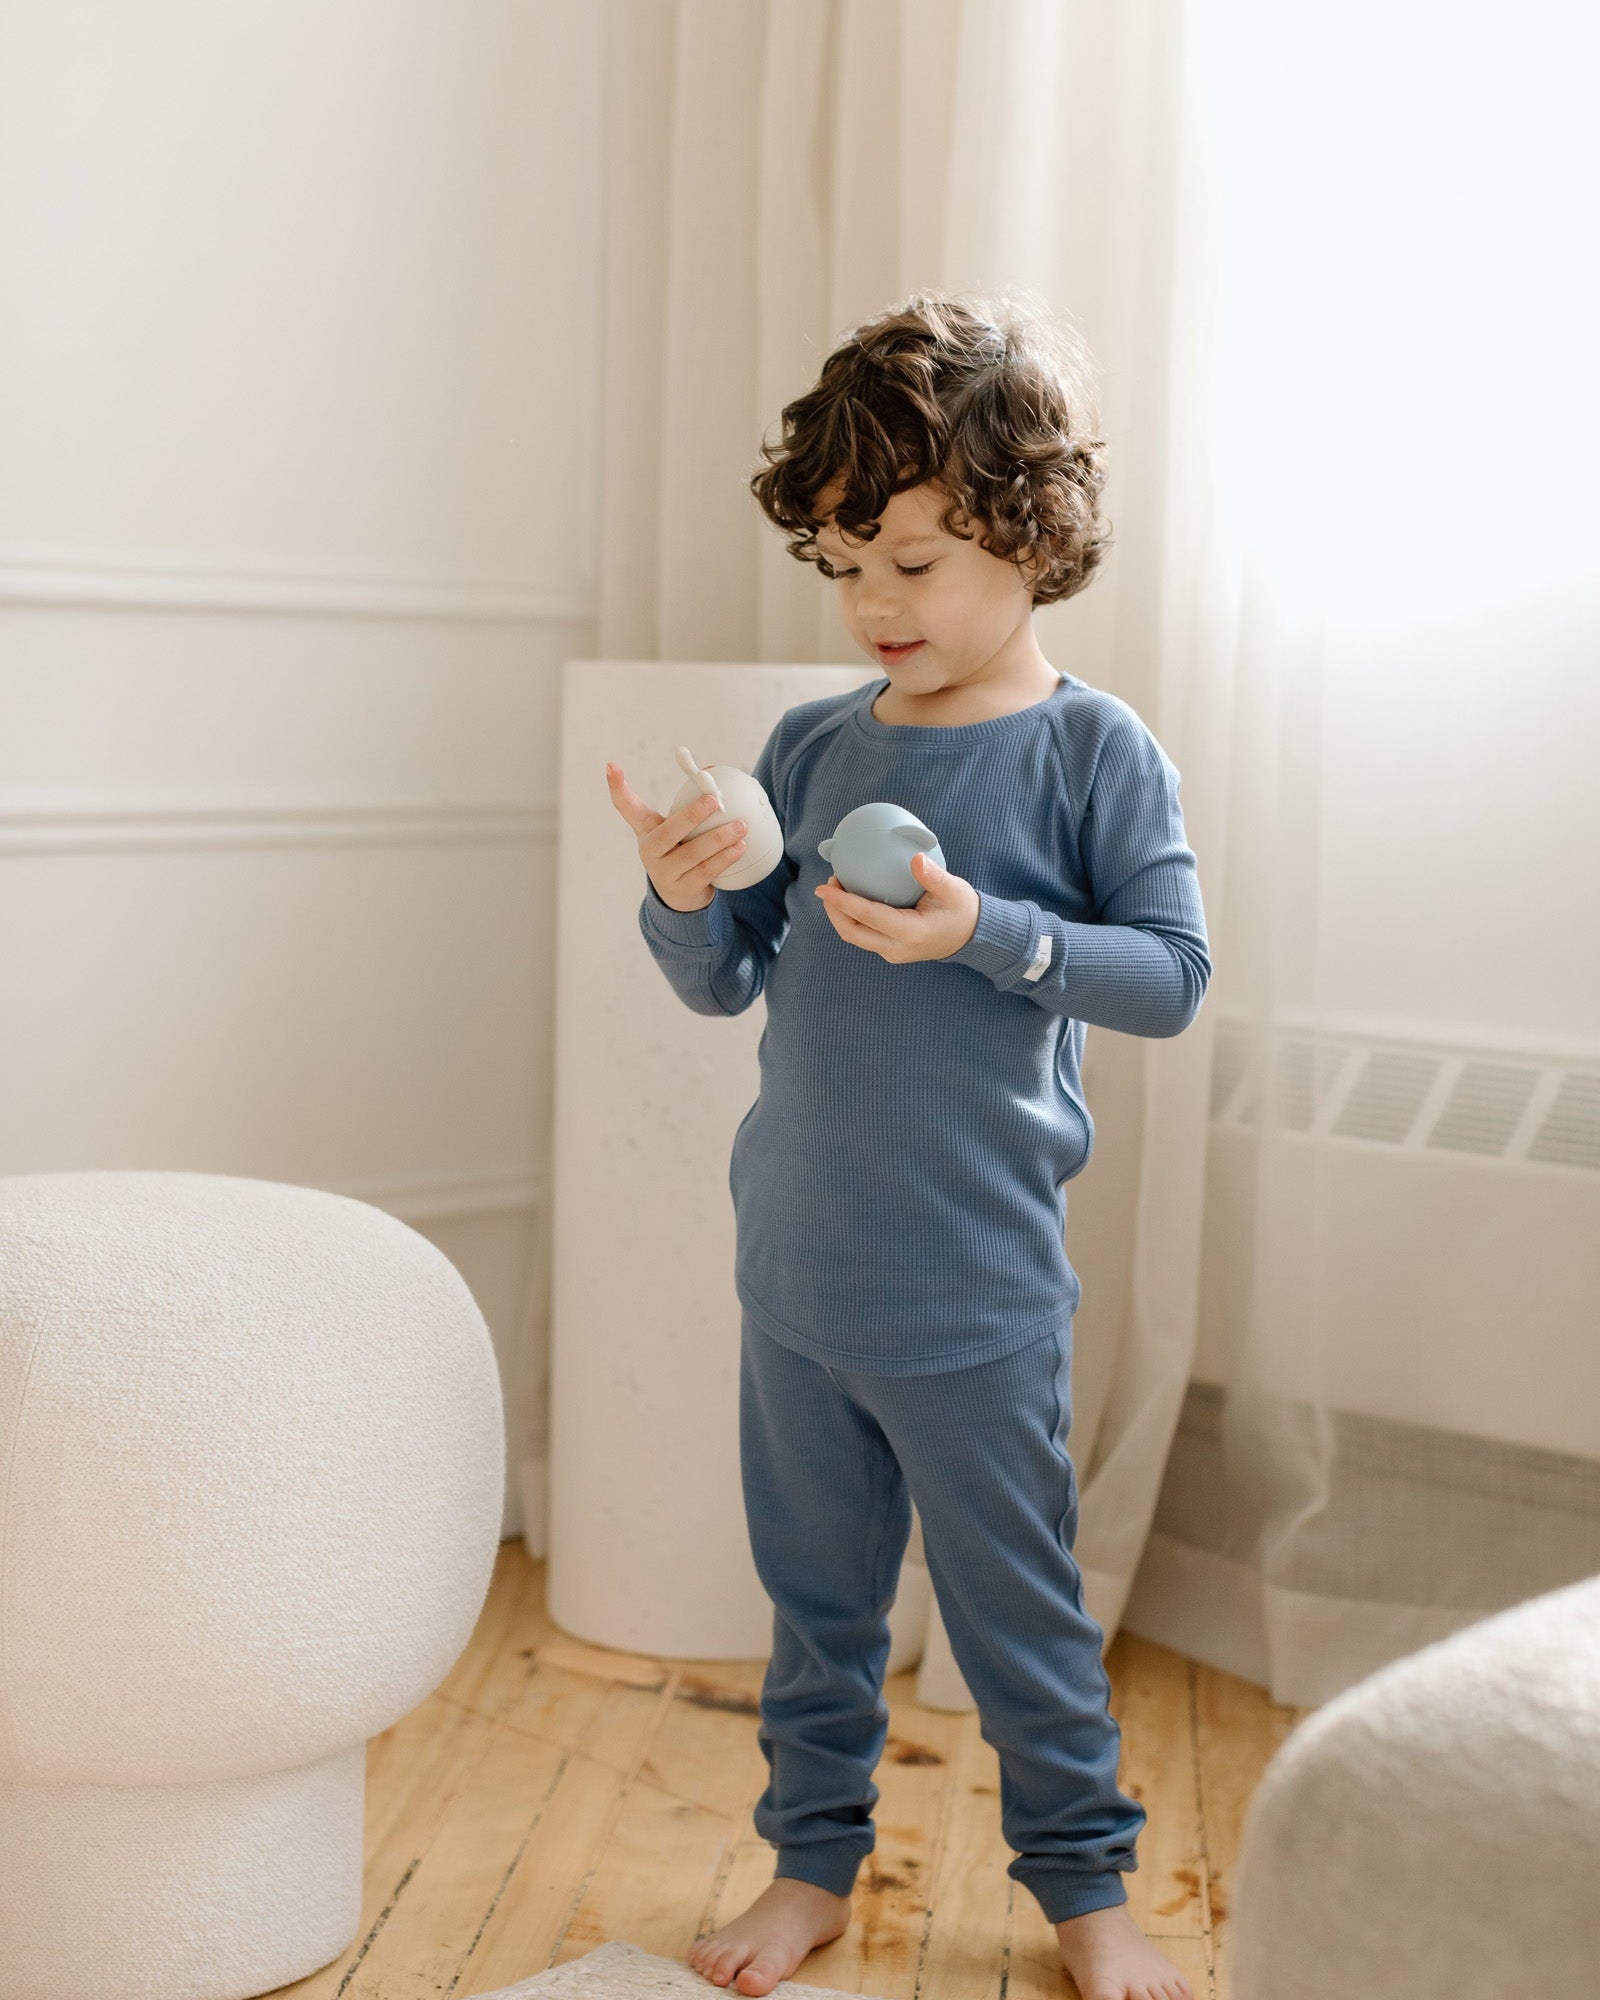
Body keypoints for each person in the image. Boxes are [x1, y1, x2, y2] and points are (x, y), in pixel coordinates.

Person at [605, 294, 1209, 2000]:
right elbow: (728, 983)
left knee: (1019, 1624)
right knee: (814, 1614)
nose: (875, 605)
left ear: (1031, 533)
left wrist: (984, 937)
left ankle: (1087, 1893)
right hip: (796, 1276)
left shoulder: (1095, 753)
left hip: (973, 1294)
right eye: (845, 563)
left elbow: (1170, 979)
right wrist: (677, 894)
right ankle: (810, 1869)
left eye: (919, 561)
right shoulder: (812, 746)